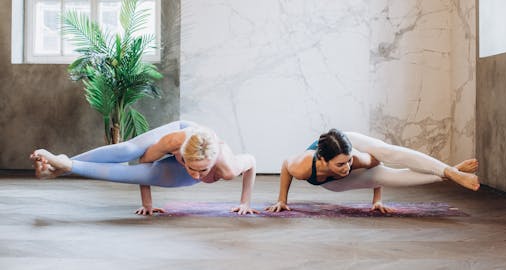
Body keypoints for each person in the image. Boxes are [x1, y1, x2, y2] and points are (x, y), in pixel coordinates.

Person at [30, 120, 257, 215]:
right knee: (127, 151)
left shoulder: (228, 167)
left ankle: (64, 165)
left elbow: (252, 162)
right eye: (191, 167)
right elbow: (144, 162)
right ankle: (61, 166)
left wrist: (245, 202)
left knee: (159, 176)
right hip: (181, 134)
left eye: (203, 171)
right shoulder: (173, 141)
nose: (197, 175)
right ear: (181, 155)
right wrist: (147, 203)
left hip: (203, 152)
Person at [266, 129, 479, 214]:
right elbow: (286, 165)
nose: (347, 167)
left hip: (352, 143)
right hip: (333, 184)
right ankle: (450, 171)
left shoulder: (356, 159)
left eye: (348, 163)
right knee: (394, 178)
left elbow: (377, 164)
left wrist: (377, 199)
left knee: (388, 153)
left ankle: (450, 172)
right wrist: (282, 200)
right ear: (322, 160)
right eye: (340, 165)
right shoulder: (304, 166)